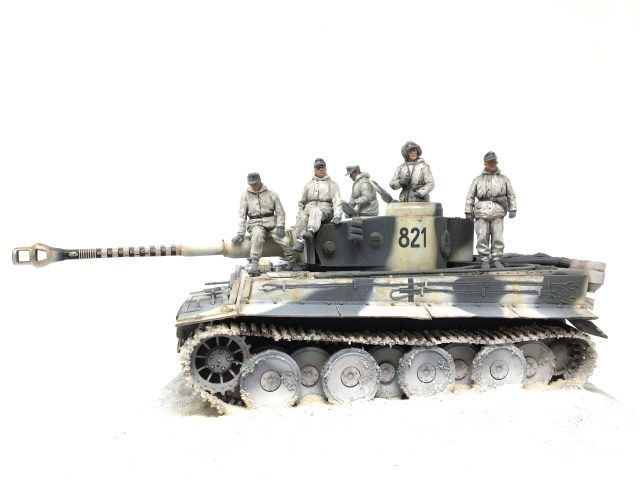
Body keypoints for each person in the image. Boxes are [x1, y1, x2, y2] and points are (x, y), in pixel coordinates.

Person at [231, 172, 296, 273]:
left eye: (255, 183)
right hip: (255, 223)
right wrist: (240, 233)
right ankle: (254, 262)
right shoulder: (245, 196)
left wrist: (280, 226)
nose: (253, 186)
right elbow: (242, 216)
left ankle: (292, 261)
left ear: (260, 180)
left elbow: (280, 212)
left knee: (285, 240)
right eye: (251, 184)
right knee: (257, 235)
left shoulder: (271, 194)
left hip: (271, 223)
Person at [464, 151, 517, 269]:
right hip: (481, 212)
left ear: (497, 162)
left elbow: (511, 195)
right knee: (482, 236)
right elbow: (470, 196)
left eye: (494, 162)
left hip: (498, 211)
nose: (492, 164)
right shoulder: (478, 180)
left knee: (498, 237)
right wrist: (468, 211)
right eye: (490, 162)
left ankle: (497, 259)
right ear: (485, 163)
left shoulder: (504, 179)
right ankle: (484, 259)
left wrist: (513, 208)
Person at [292, 158, 343, 252]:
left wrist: (337, 216)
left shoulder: (332, 184)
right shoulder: (309, 185)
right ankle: (300, 242)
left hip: (325, 208)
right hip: (310, 207)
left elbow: (337, 200)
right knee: (302, 215)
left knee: (316, 210)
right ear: (314, 170)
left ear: (326, 168)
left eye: (322, 167)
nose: (321, 169)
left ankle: (310, 231)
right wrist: (301, 211)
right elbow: (302, 201)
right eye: (318, 168)